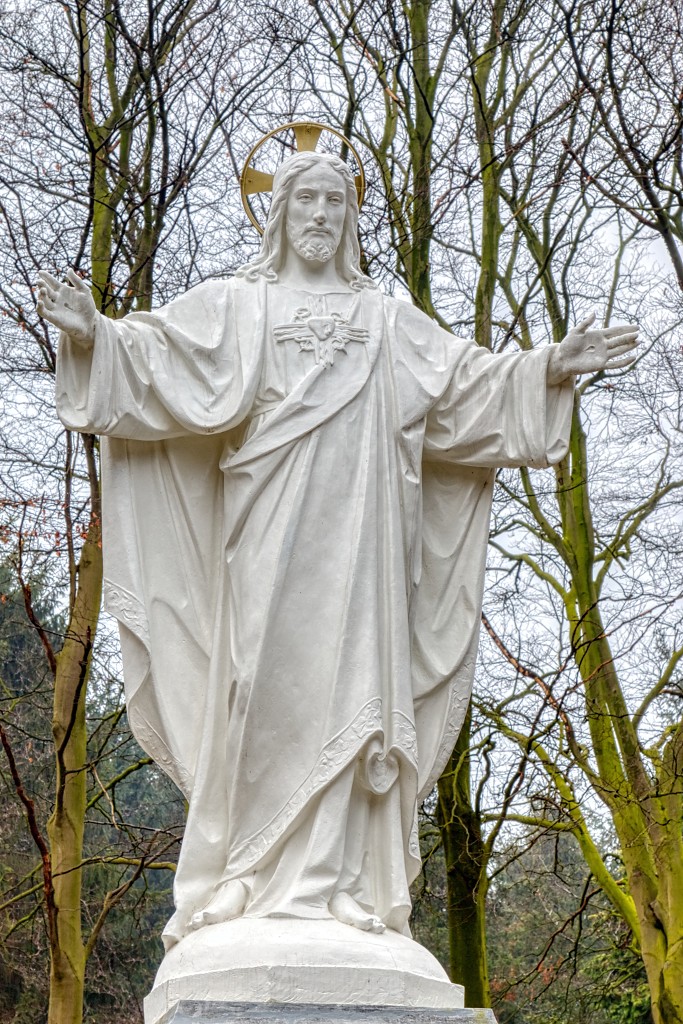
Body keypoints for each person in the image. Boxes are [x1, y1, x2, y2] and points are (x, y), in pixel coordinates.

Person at [37, 150, 638, 953]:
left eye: (334, 202)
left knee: (355, 699)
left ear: (349, 218)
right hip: (265, 533)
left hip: (362, 547)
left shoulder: (387, 320)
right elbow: (156, 364)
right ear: (277, 214)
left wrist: (546, 368)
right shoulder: (233, 306)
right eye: (304, 201)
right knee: (255, 687)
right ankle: (247, 879)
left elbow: (466, 389)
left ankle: (343, 882)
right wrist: (94, 337)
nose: (319, 216)